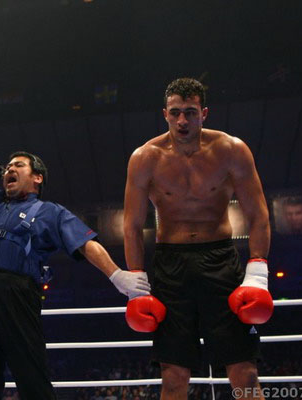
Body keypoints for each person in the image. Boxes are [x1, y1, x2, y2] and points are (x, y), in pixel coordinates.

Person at [0, 75, 151, 400]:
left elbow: (87, 243)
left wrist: (118, 277)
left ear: (37, 177)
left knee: (32, 378)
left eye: (18, 165)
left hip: (18, 293)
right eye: (7, 167)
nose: (8, 170)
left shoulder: (49, 211)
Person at [123, 77, 273, 400]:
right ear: (164, 113)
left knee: (244, 372)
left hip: (221, 262)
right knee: (174, 378)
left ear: (204, 113)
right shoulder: (144, 158)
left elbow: (258, 215)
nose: (182, 121)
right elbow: (132, 225)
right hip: (170, 267)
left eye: (190, 112)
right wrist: (136, 281)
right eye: (175, 112)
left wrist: (257, 273)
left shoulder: (232, 151)